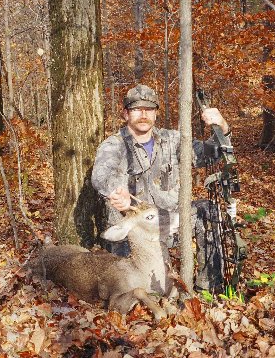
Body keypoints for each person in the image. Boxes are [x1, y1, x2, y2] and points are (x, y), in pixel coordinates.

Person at [91, 84, 231, 290]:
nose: (143, 114)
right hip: (137, 230)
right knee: (149, 290)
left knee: (209, 211)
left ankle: (208, 288)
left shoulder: (172, 140)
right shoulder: (114, 145)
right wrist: (118, 192)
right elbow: (101, 176)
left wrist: (222, 126)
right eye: (137, 109)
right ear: (125, 114)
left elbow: (211, 153)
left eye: (149, 109)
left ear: (156, 113)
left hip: (170, 221)